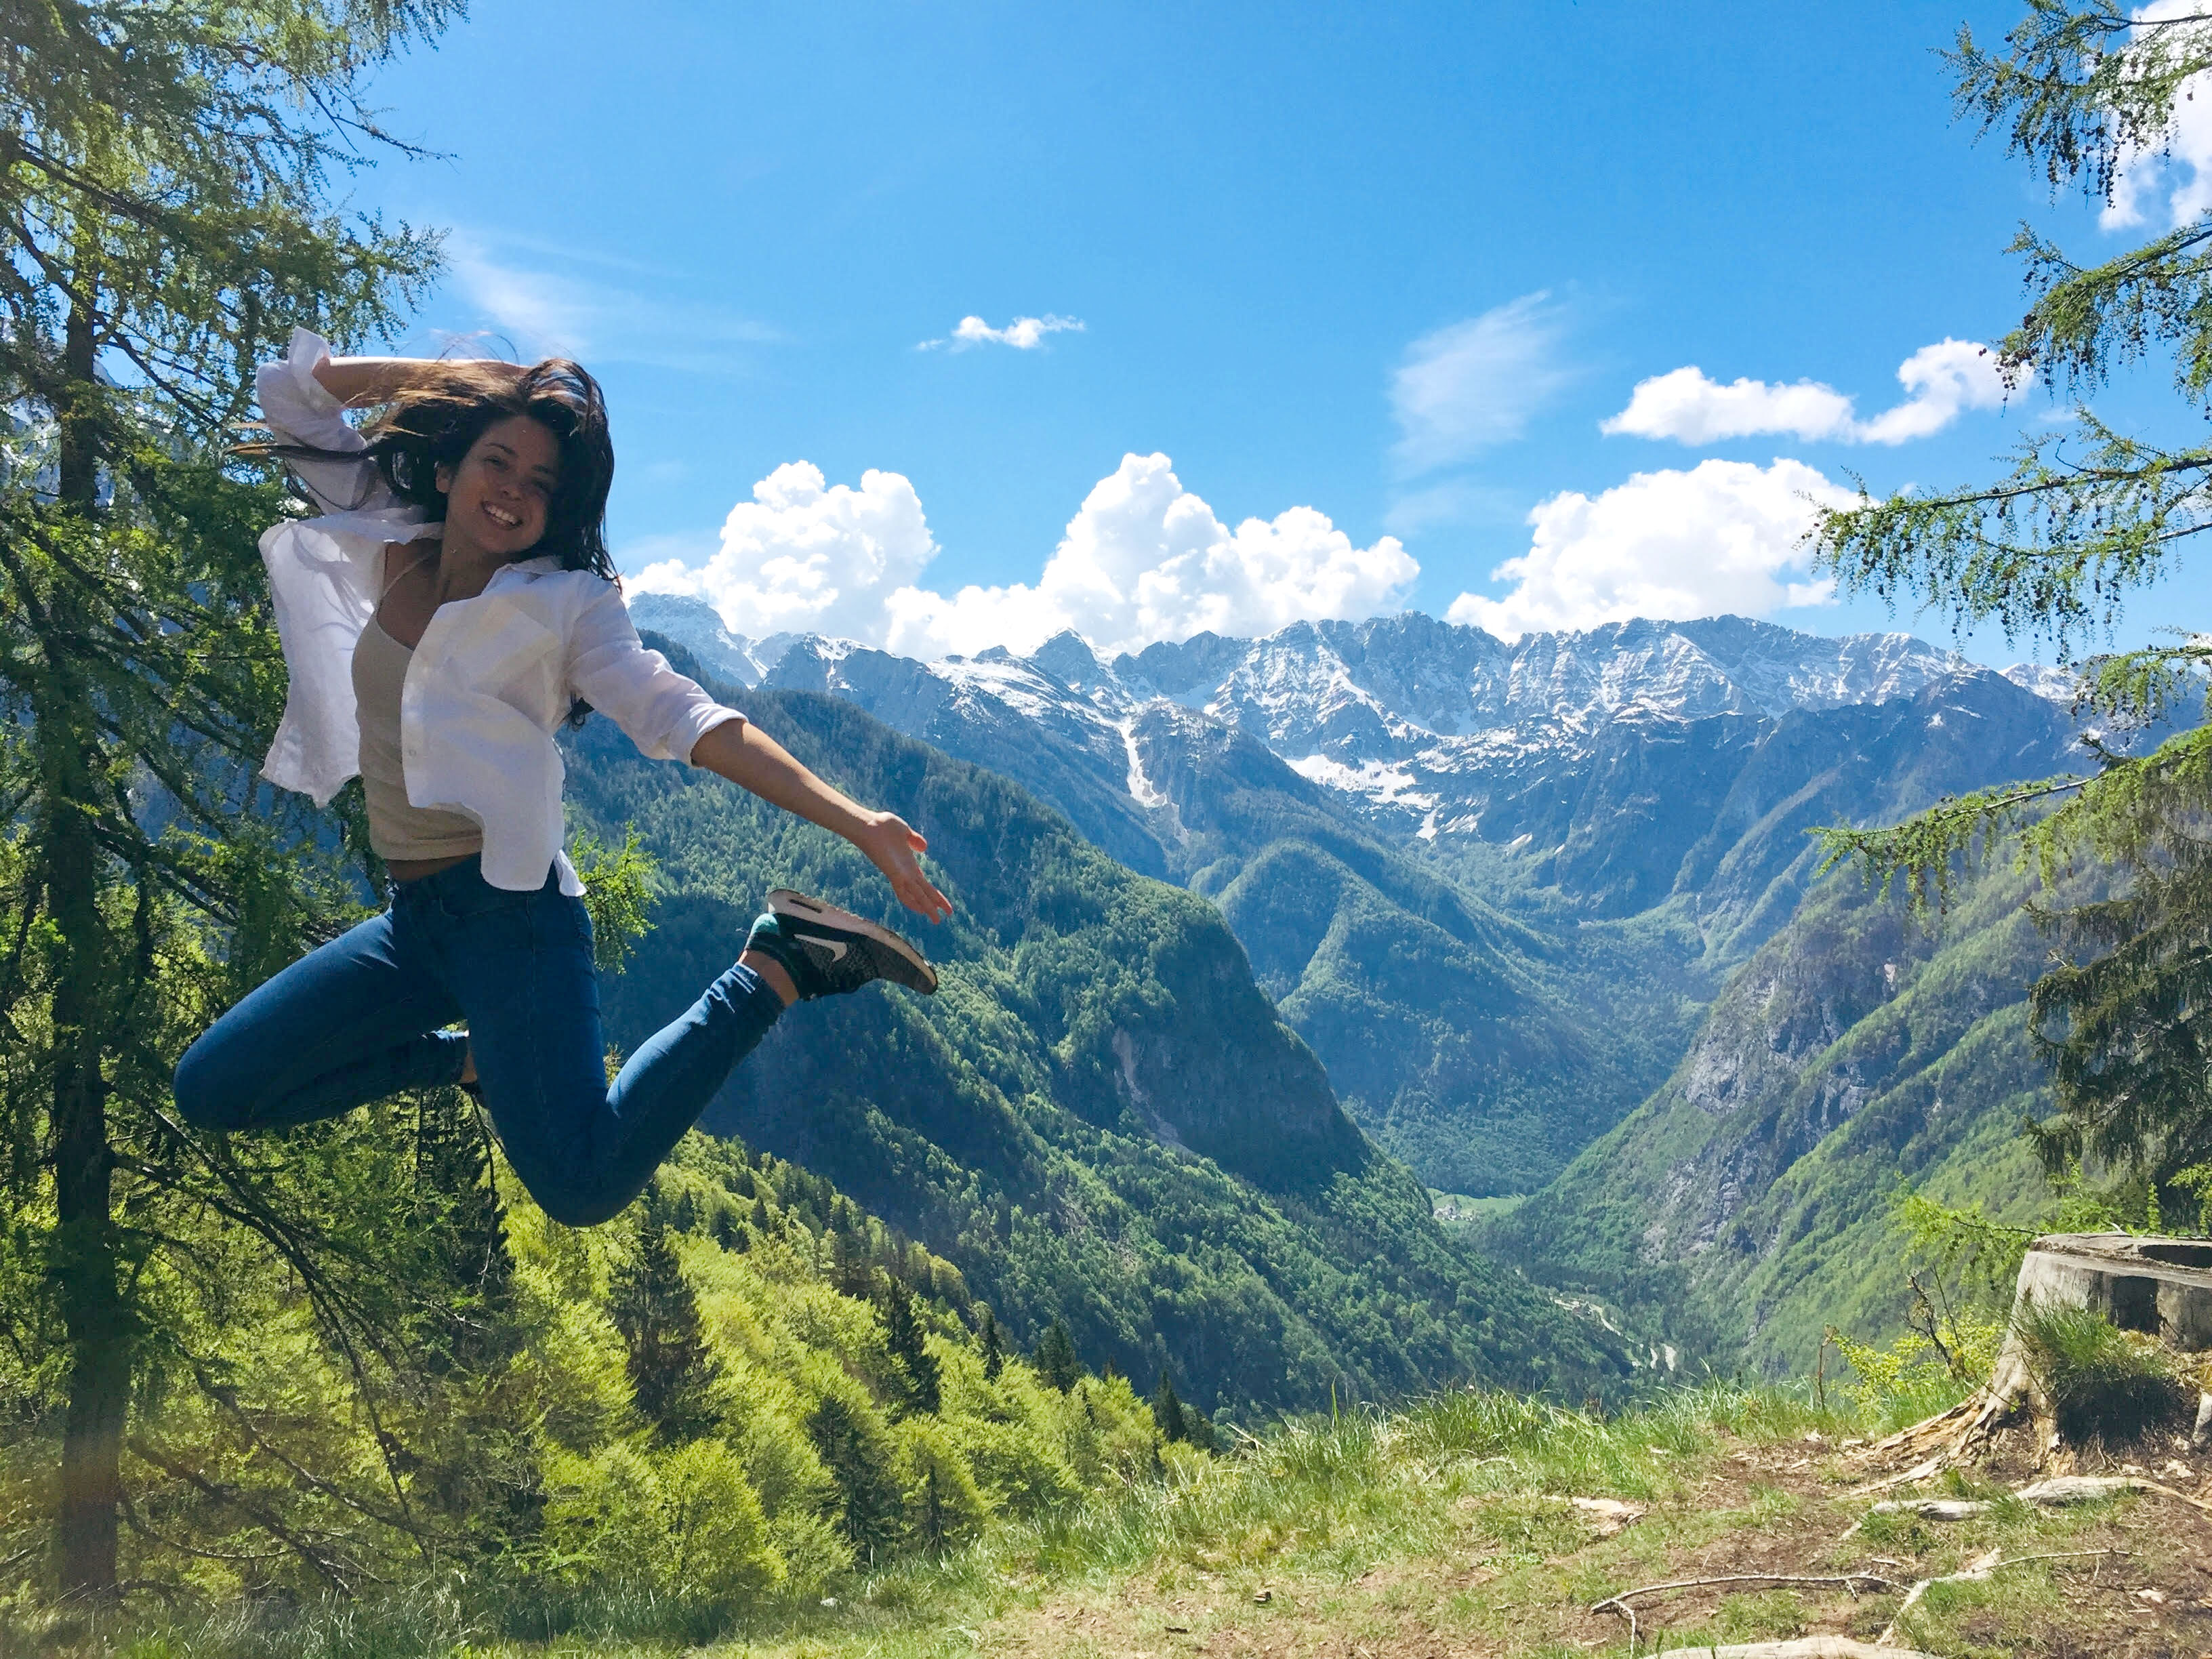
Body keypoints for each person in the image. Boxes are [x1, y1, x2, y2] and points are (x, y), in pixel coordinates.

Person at [173, 328, 951, 1227]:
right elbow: (298, 397)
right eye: (496, 461)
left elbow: (690, 719)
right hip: (414, 924)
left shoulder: (569, 608)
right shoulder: (392, 534)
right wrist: (475, 383)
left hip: (515, 922)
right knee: (215, 1087)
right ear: (446, 468)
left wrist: (859, 821)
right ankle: (464, 1060)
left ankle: (775, 963)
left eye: (541, 484)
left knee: (583, 1184)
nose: (514, 490)